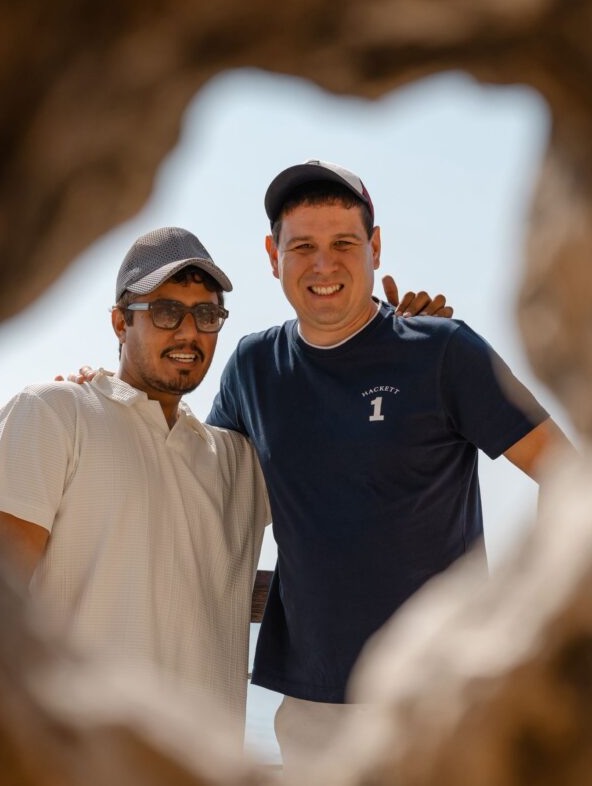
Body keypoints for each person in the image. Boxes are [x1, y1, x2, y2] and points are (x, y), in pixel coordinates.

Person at [205, 159, 572, 766]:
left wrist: (534, 620)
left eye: (344, 243)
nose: (324, 265)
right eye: (303, 247)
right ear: (273, 256)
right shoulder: (252, 368)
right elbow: (194, 482)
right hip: (312, 702)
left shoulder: (444, 351)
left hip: (441, 694)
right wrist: (100, 395)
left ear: (375, 247)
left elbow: (565, 475)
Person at [0, 227, 270, 740]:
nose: (189, 332)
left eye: (206, 315)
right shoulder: (54, 414)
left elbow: (352, 457)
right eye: (166, 312)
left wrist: (406, 342)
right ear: (120, 322)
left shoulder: (240, 463)